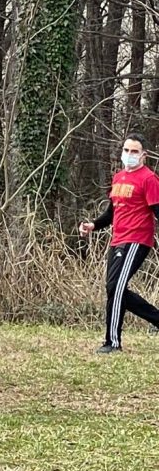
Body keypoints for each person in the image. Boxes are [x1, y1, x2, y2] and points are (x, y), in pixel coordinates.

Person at [78, 134, 159, 353]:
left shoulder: (149, 179)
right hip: (117, 240)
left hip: (137, 240)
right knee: (114, 289)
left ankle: (112, 342)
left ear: (143, 155)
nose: (129, 155)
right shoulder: (118, 178)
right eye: (126, 150)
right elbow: (111, 213)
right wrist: (93, 225)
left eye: (134, 151)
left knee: (116, 288)